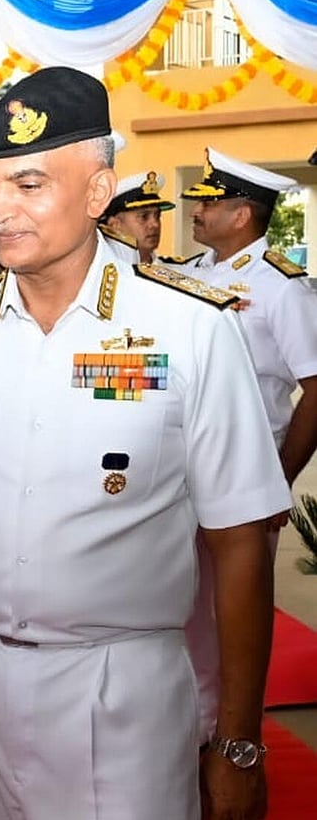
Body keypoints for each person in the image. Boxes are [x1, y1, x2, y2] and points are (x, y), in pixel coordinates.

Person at [0, 68, 291, 820]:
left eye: (28, 184)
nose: (1, 212)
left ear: (96, 192)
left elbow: (241, 541)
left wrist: (238, 743)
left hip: (120, 692)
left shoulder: (190, 329)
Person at [177, 146, 317, 744]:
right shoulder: (190, 273)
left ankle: (229, 740)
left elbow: (316, 387)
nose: (197, 211)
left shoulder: (283, 286)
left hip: (248, 475)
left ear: (243, 215)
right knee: (181, 610)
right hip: (181, 474)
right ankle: (186, 728)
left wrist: (279, 477)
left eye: (210, 202)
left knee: (234, 618)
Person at [101, 169, 176, 263]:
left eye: (157, 216)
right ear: (114, 225)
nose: (155, 224)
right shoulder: (100, 272)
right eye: (144, 217)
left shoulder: (175, 271)